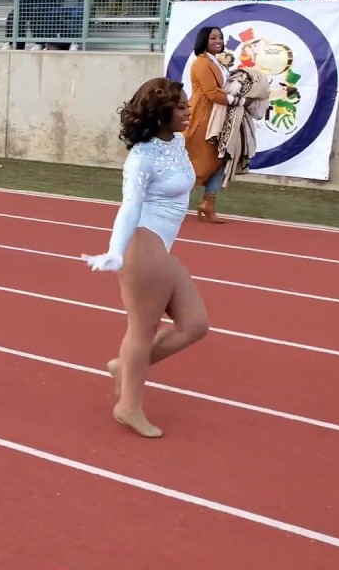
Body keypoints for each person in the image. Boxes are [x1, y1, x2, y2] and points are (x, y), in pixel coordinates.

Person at [82, 78, 210, 439]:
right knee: (142, 330)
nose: (187, 111)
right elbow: (130, 206)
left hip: (160, 248)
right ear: (160, 113)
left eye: (187, 104)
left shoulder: (177, 142)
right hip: (143, 244)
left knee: (195, 325)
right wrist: (114, 251)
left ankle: (125, 367)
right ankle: (129, 406)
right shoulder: (141, 159)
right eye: (180, 107)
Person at [185, 25, 239, 222]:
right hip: (202, 116)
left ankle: (208, 203)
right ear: (204, 41)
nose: (218, 41)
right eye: (213, 38)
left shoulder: (217, 63)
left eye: (220, 37)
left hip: (217, 117)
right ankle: (166, 201)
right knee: (201, 161)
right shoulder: (201, 63)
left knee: (221, 159)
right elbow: (212, 93)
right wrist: (237, 100)